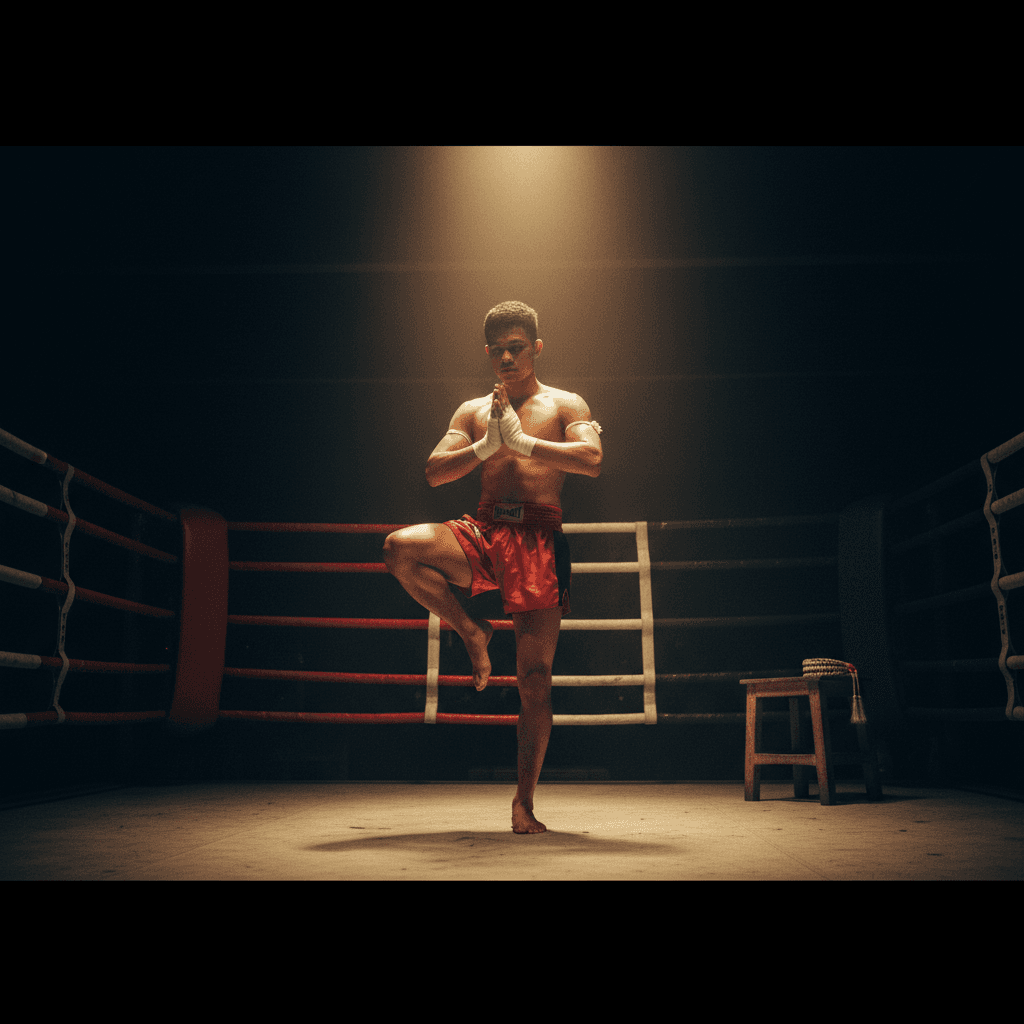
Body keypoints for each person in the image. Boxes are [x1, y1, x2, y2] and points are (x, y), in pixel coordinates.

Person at [382, 301, 603, 834]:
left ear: (536, 348)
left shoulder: (565, 402)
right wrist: (487, 445)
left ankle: (523, 804)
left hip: (539, 540)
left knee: (533, 680)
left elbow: (592, 460)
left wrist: (524, 443)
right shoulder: (473, 411)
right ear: (487, 353)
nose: (506, 357)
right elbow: (434, 472)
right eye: (498, 349)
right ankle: (470, 629)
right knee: (399, 548)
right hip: (483, 532)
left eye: (516, 348)